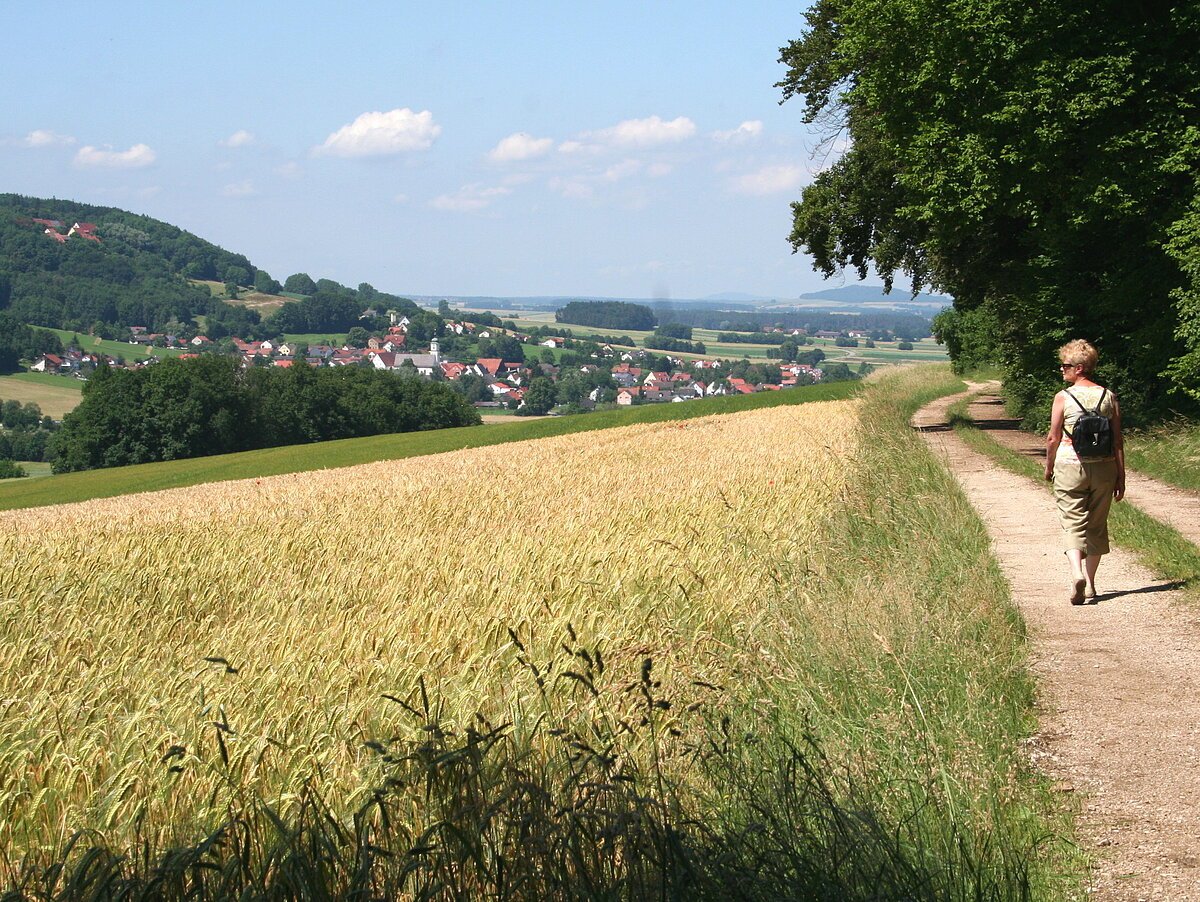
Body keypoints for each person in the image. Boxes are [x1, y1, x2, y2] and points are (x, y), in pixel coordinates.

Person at [1044, 339, 1125, 604]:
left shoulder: (1063, 397)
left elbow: (1053, 438)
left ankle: (1076, 573)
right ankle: (1090, 584)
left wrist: (1048, 467)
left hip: (1070, 465)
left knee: (1072, 521)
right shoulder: (1108, 396)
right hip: (1104, 467)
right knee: (1097, 524)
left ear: (1079, 368)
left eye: (1065, 365)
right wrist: (1121, 476)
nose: (1062, 370)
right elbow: (1117, 440)